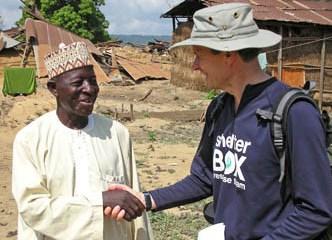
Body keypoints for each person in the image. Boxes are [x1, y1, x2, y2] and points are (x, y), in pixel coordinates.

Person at [107, 3, 332, 239]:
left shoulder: (295, 113)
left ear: (228, 54)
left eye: (199, 55)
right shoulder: (219, 108)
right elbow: (204, 177)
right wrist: (146, 200)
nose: (194, 65)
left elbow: (315, 210)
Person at [11, 42, 153, 240]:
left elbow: (134, 204)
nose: (89, 89)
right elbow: (33, 208)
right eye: (78, 83)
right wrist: (100, 201)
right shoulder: (31, 139)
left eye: (93, 81)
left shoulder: (117, 133)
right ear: (54, 89)